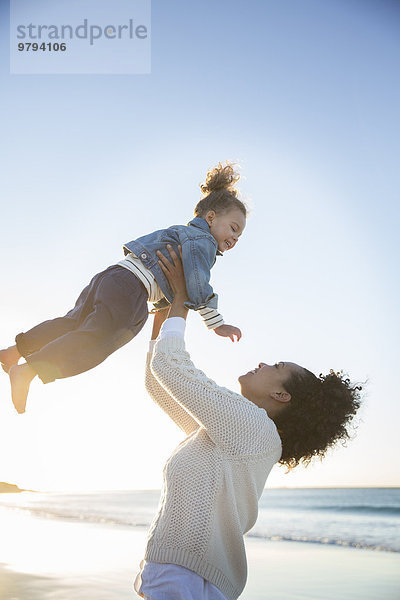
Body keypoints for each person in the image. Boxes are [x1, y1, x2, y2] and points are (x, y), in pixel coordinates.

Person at [134, 246, 362, 600]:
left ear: (282, 396)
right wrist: (164, 308)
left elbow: (170, 367)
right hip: (188, 577)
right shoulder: (233, 434)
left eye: (277, 367)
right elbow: (159, 382)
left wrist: (180, 297)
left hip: (185, 578)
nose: (264, 363)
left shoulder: (252, 428)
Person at [0, 161, 246, 414]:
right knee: (101, 337)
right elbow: (196, 283)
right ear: (211, 217)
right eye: (233, 229)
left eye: (239, 237)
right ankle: (29, 370)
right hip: (132, 290)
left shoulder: (181, 233)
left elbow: (169, 287)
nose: (234, 239)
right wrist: (216, 322)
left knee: (72, 323)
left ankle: (14, 351)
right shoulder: (202, 242)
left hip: (113, 276)